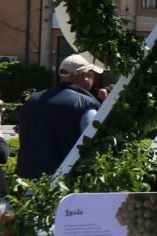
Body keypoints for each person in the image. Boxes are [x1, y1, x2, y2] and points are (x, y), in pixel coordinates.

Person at [13, 53, 103, 181]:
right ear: (86, 75)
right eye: (93, 75)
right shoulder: (86, 105)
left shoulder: (32, 100)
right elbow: (93, 144)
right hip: (61, 180)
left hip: (25, 177)